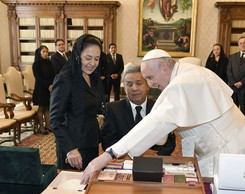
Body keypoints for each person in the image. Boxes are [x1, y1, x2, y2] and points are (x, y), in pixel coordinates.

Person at [81, 49, 245, 184]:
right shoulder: (187, 72)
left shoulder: (184, 82)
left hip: (230, 147)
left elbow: (156, 121)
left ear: (164, 67)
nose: (150, 84)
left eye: (150, 77)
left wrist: (108, 155)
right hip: (225, 143)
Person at [50, 34, 105, 170]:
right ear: (77, 55)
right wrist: (70, 149)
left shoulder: (95, 78)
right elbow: (55, 120)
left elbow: (99, 108)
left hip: (91, 142)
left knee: (89, 186)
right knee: (73, 187)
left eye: (97, 59)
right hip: (73, 146)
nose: (92, 63)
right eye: (88, 58)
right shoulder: (64, 79)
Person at [101, 63, 175, 155]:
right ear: (124, 88)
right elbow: (107, 141)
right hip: (124, 162)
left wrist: (154, 154)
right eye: (129, 84)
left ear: (148, 86)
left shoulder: (159, 107)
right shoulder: (113, 109)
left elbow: (170, 142)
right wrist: (134, 154)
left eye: (139, 83)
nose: (134, 88)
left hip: (153, 161)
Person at [227, 36, 245, 120]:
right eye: (240, 43)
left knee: (244, 112)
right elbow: (229, 71)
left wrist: (241, 82)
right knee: (233, 111)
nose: (242, 45)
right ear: (238, 45)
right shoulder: (233, 56)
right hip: (233, 88)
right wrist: (233, 83)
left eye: (244, 43)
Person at [32, 45, 55, 135]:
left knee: (48, 107)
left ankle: (48, 125)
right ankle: (41, 127)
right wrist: (48, 85)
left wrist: (52, 84)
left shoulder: (49, 62)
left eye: (46, 51)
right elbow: (38, 78)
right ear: (39, 53)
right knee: (42, 108)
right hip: (40, 89)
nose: (46, 53)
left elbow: (53, 74)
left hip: (49, 88)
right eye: (43, 52)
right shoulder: (36, 64)